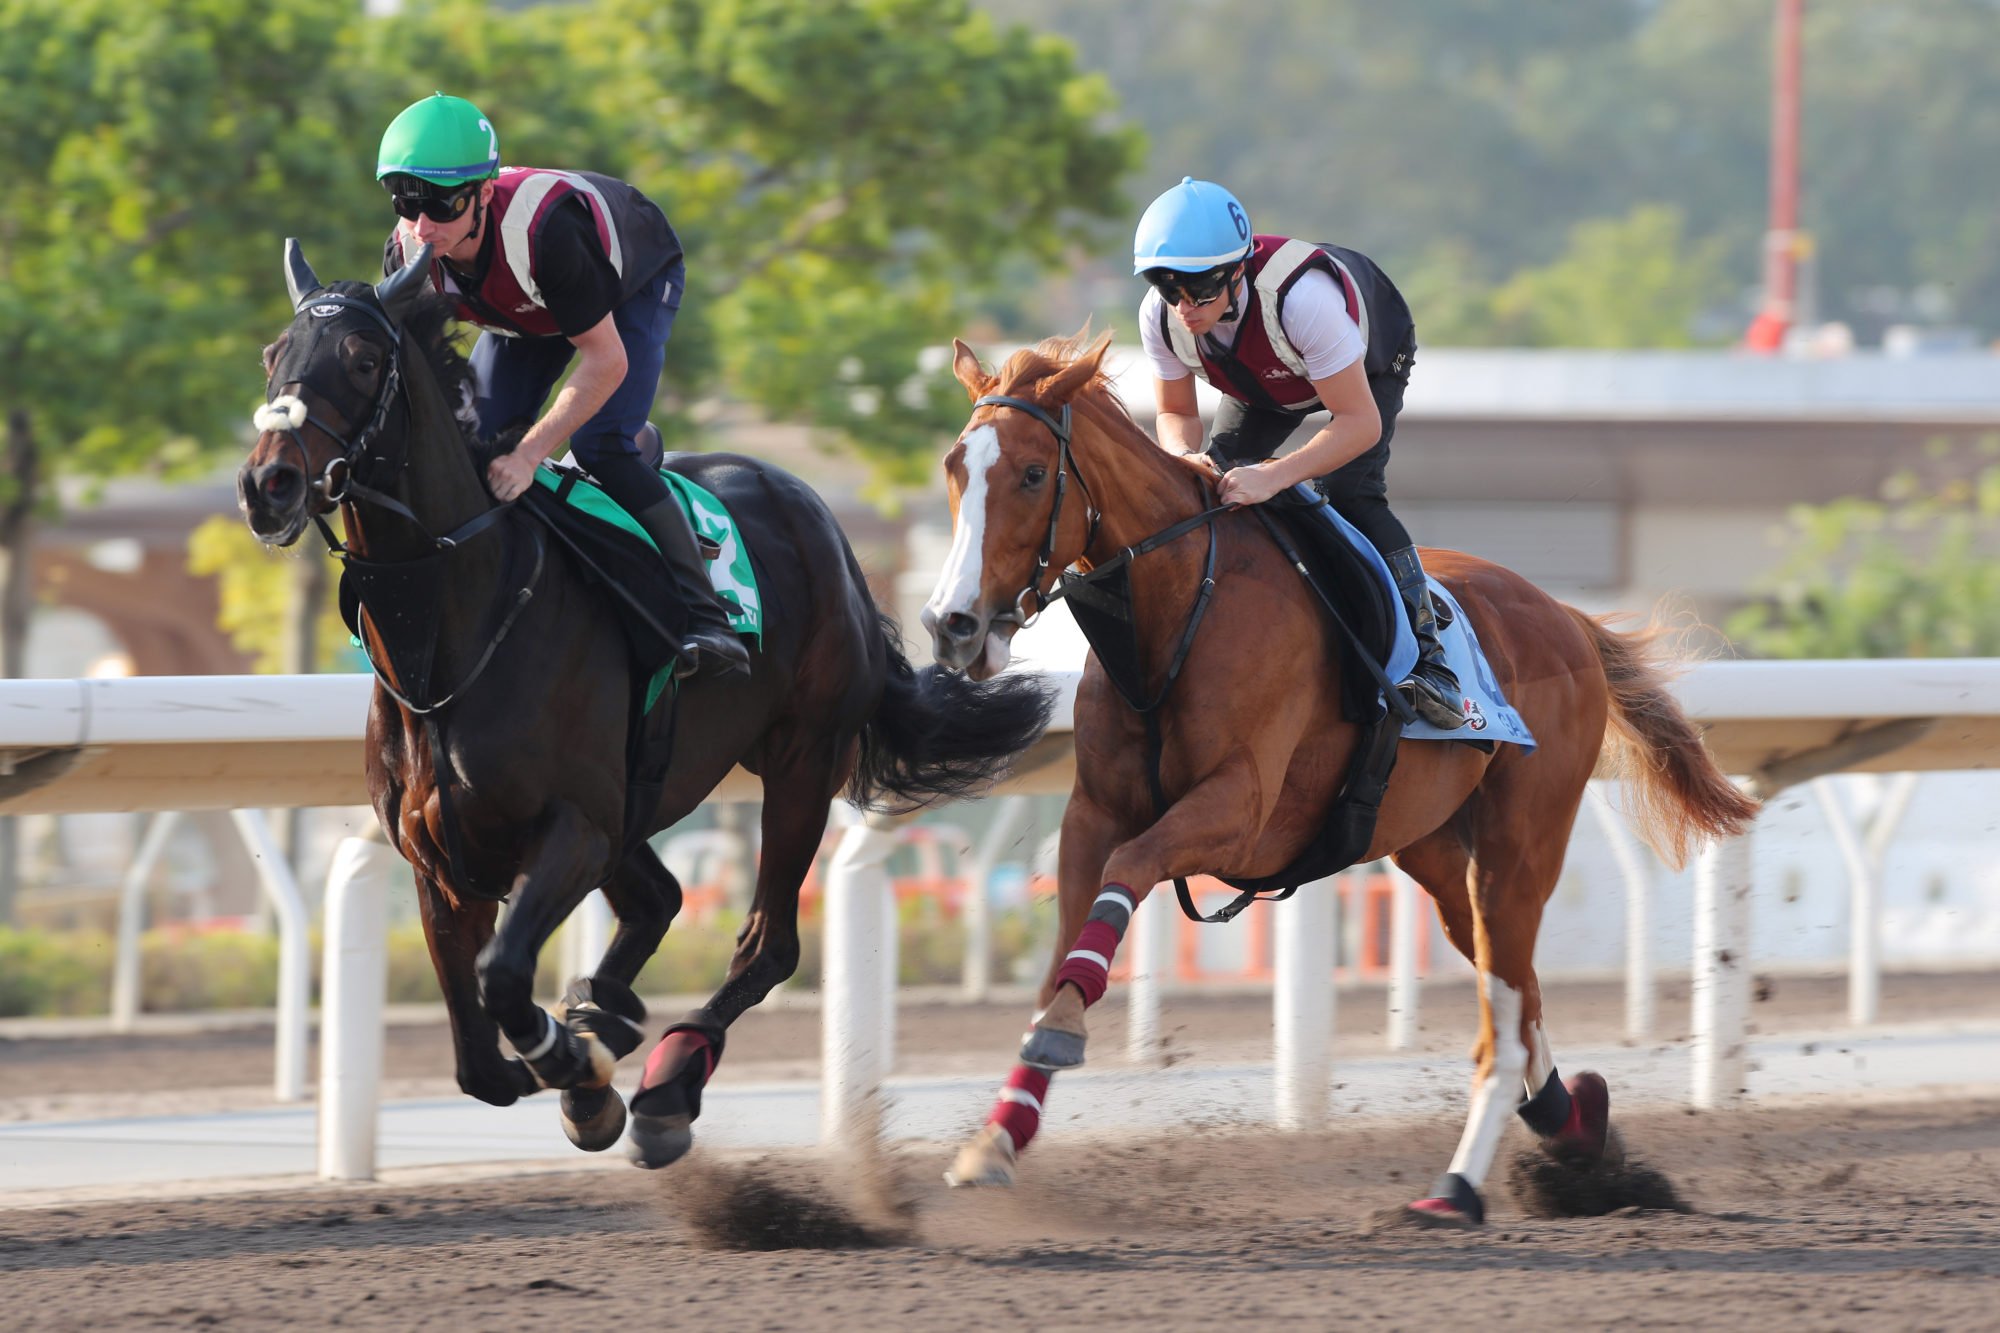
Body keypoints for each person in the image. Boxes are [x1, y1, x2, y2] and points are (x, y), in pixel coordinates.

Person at [375, 92, 749, 680]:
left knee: (600, 447)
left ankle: (707, 614)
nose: (423, 227)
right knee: (473, 449)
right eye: (405, 202)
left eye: (442, 206)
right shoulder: (408, 252)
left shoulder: (547, 232)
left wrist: (530, 453)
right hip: (524, 306)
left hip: (626, 285)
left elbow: (605, 361)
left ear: (481, 192)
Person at [1133, 176, 1463, 729]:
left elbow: (1358, 424)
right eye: (1171, 291)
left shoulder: (1305, 301)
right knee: (1211, 483)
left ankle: (1432, 659)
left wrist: (1278, 475)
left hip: (1366, 364)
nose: (1186, 309)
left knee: (1348, 492)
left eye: (1201, 291)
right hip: (1266, 379)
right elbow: (1176, 415)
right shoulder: (1158, 316)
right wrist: (1182, 454)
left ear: (1238, 270)